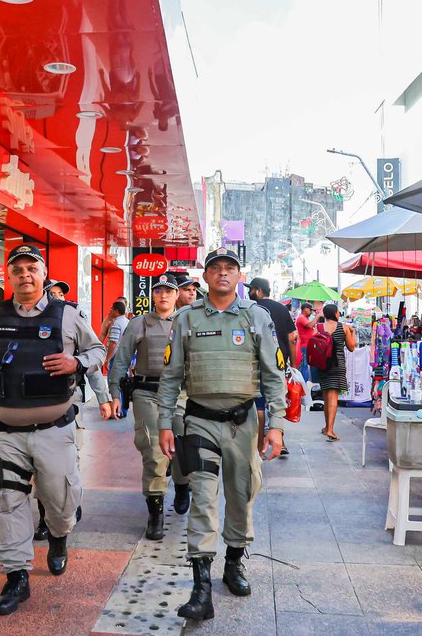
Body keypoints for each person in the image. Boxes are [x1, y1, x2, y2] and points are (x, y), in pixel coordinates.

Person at [0, 244, 105, 616]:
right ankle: (16, 576)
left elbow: (98, 351)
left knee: (59, 501)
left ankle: (58, 536)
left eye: (32, 268)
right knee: (9, 503)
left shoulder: (67, 315)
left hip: (55, 429)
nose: (25, 275)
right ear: (9, 277)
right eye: (18, 269)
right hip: (5, 430)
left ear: (44, 275)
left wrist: (76, 361)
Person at [156, 247, 287, 622]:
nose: (223, 274)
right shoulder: (186, 318)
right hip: (199, 421)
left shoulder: (255, 317)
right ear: (206, 275)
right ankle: (201, 586)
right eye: (216, 268)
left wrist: (275, 426)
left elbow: (274, 377)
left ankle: (233, 563)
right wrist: (166, 422)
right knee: (202, 496)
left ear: (239, 275)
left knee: (242, 493)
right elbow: (171, 377)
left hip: (243, 423)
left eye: (230, 268)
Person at [108, 274, 190, 541]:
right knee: (154, 450)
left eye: (169, 291)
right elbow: (120, 360)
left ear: (176, 295)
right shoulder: (138, 324)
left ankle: (181, 485)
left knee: (183, 447)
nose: (163, 296)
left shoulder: (187, 322)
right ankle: (155, 512)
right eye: (159, 291)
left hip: (180, 395)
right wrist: (115, 394)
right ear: (152, 296)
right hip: (146, 393)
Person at [33, 279, 111, 541]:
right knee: (39, 468)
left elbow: (91, 363)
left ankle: (68, 506)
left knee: (69, 461)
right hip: (34, 405)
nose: (56, 298)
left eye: (60, 294)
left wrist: (104, 397)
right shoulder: (28, 323)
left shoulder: (72, 320)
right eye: (52, 293)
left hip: (70, 402)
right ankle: (46, 516)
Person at [248, 278, 295, 459]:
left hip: (257, 362)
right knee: (277, 399)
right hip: (279, 361)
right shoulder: (282, 309)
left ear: (258, 291)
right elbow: (292, 338)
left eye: (252, 289)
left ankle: (260, 445)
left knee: (259, 404)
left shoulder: (253, 310)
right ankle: (278, 439)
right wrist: (293, 363)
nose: (251, 293)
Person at [315, 303, 357, 442]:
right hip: (337, 364)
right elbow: (352, 347)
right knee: (333, 397)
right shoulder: (343, 328)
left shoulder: (319, 327)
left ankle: (327, 426)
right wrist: (353, 333)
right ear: (335, 313)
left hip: (322, 364)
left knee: (327, 396)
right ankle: (330, 430)